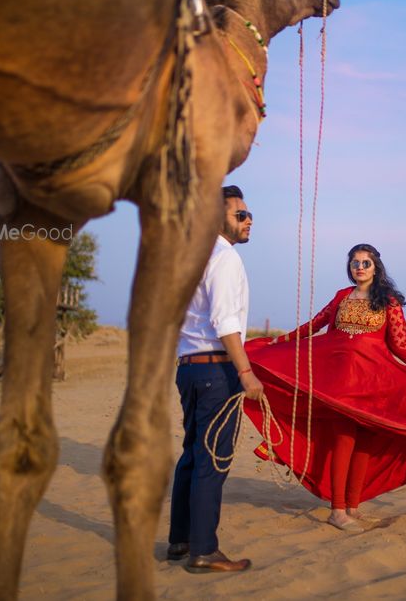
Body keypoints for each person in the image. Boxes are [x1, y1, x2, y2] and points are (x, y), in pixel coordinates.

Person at [244, 243, 406, 531]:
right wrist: (275, 344)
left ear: (376, 267)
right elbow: (313, 326)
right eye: (355, 262)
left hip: (372, 383)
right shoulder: (342, 296)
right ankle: (337, 511)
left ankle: (352, 507)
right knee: (344, 439)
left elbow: (401, 345)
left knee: (364, 442)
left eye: (366, 262)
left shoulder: (388, 301)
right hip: (338, 383)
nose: (360, 267)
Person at [167, 185, 263, 572]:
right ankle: (203, 550)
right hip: (214, 371)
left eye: (248, 213)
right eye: (240, 214)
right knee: (212, 460)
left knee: (192, 455)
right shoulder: (224, 260)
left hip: (189, 368)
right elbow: (226, 323)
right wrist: (245, 373)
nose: (248, 219)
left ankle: (181, 540)